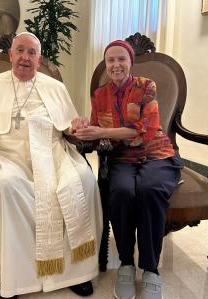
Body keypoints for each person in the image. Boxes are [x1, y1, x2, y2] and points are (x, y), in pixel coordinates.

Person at [0, 32, 103, 299]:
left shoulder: (55, 87)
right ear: (11, 55)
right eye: (20, 51)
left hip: (52, 152)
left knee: (81, 179)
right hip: (5, 155)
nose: (25, 57)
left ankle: (76, 273)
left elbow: (69, 125)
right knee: (6, 187)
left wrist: (76, 126)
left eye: (32, 52)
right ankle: (17, 279)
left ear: (40, 59)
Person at [71, 40, 182, 299]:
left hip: (156, 154)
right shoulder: (100, 95)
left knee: (150, 189)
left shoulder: (146, 87)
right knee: (121, 192)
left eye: (121, 59)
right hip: (122, 158)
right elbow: (98, 136)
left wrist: (103, 131)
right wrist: (83, 127)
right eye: (111, 60)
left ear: (130, 62)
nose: (116, 65)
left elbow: (145, 130)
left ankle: (151, 268)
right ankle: (126, 264)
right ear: (106, 64)